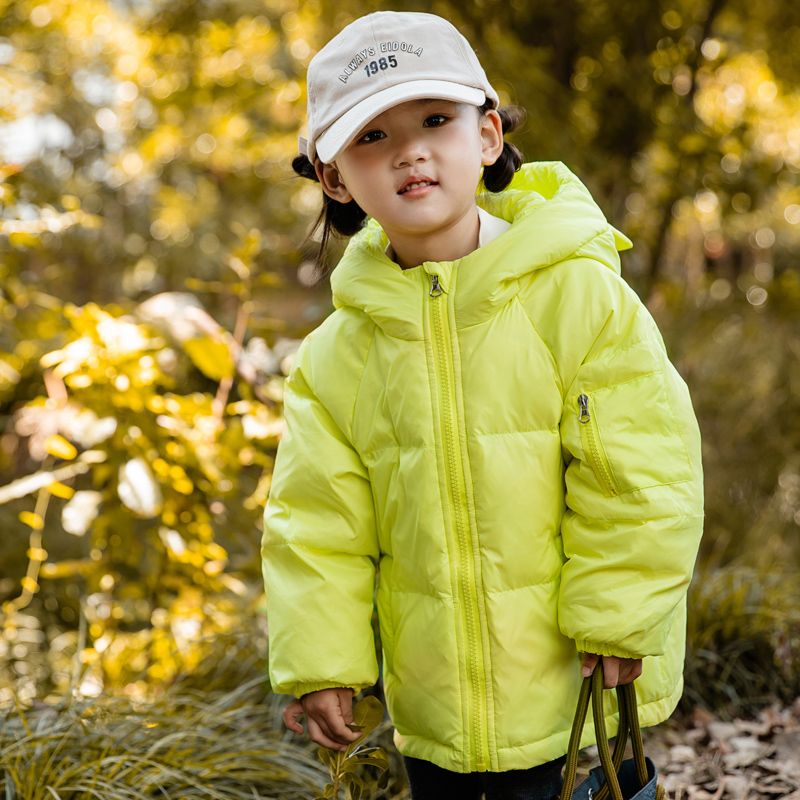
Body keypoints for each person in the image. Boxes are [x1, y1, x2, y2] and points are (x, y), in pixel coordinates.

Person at [260, 10, 704, 800]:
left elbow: (642, 468)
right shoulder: (336, 356)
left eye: (435, 120)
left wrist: (620, 612)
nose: (410, 151)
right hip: (437, 712)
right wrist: (323, 663)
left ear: (489, 136)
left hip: (579, 691)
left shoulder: (579, 295)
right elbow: (316, 521)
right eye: (372, 136)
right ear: (333, 178)